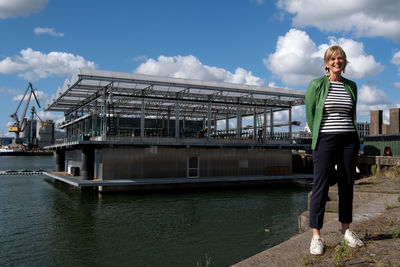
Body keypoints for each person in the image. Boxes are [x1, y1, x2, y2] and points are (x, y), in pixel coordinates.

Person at [305, 45, 364, 255]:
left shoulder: (351, 86)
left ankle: (345, 231)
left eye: (341, 58)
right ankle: (316, 236)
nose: (337, 62)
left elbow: (352, 114)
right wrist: (319, 137)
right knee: (320, 185)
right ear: (326, 63)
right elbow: (311, 115)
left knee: (347, 184)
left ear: (345, 62)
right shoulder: (316, 84)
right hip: (325, 140)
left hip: (349, 140)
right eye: (333, 59)